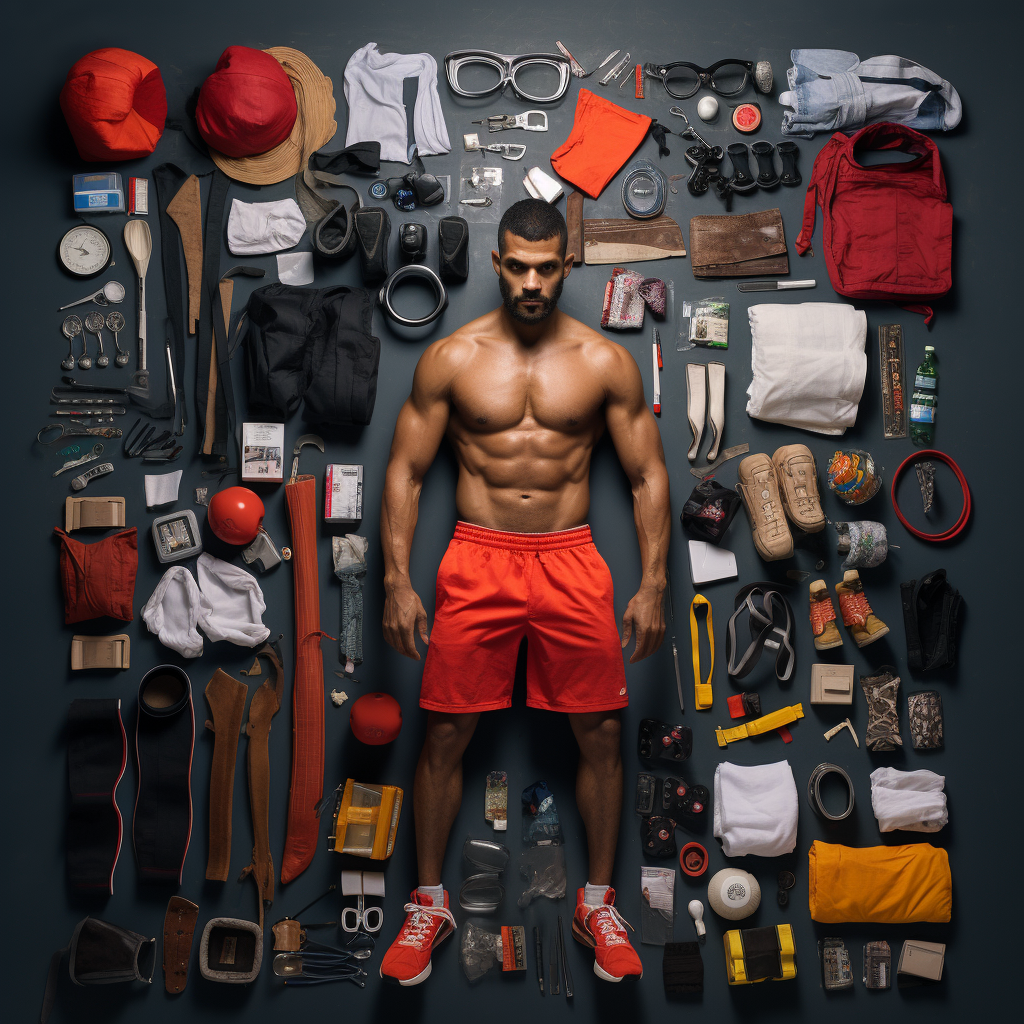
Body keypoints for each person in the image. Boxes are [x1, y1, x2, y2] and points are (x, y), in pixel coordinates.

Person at [378, 199, 671, 986]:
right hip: (477, 558)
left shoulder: (607, 361)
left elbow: (647, 473)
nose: (532, 281)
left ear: (568, 264)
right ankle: (429, 904)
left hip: (571, 559)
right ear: (498, 262)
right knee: (444, 734)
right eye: (518, 265)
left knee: (603, 734)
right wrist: (396, 579)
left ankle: (597, 902)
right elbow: (404, 470)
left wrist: (654, 582)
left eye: (547, 267)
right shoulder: (451, 357)